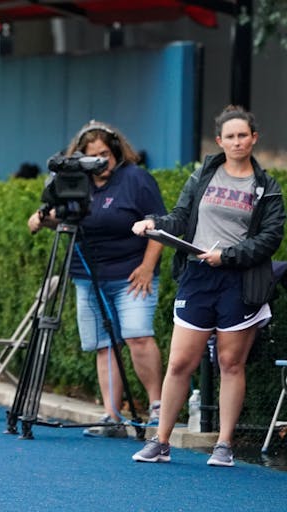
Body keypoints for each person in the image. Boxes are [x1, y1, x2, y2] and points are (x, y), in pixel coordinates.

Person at [131, 106, 286, 466]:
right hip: (198, 278)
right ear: (220, 141)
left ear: (253, 138)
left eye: (242, 135)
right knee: (180, 362)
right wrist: (152, 222)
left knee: (231, 363)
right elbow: (180, 218)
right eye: (229, 136)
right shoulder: (203, 175)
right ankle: (162, 441)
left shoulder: (267, 187)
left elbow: (270, 238)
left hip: (240, 280)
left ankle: (224, 445)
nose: (236, 141)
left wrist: (227, 256)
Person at [28, 120, 165, 436]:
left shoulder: (137, 180)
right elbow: (63, 218)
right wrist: (41, 219)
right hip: (88, 276)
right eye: (94, 157)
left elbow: (159, 225)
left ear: (117, 151)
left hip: (132, 275)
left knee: (138, 336)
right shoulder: (77, 181)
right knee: (104, 345)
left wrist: (147, 268)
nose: (101, 163)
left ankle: (158, 407)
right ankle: (111, 415)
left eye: (106, 155)